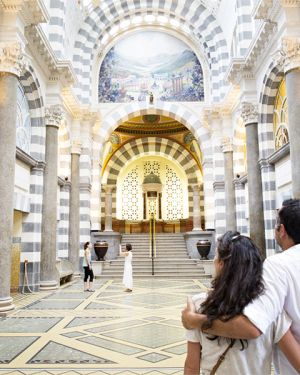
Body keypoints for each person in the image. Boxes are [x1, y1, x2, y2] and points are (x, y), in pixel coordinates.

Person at [182, 199, 300, 374]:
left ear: (221, 264)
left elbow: (192, 366)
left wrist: (194, 320)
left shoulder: (199, 305)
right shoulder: (275, 312)